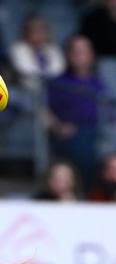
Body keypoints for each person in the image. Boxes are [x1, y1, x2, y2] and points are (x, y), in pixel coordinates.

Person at [44, 34, 110, 192]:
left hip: (99, 138)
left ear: (92, 55)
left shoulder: (100, 85)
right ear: (68, 54)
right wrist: (58, 126)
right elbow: (44, 110)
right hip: (68, 140)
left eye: (84, 51)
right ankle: (85, 191)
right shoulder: (58, 84)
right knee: (82, 143)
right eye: (76, 51)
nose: (80, 56)